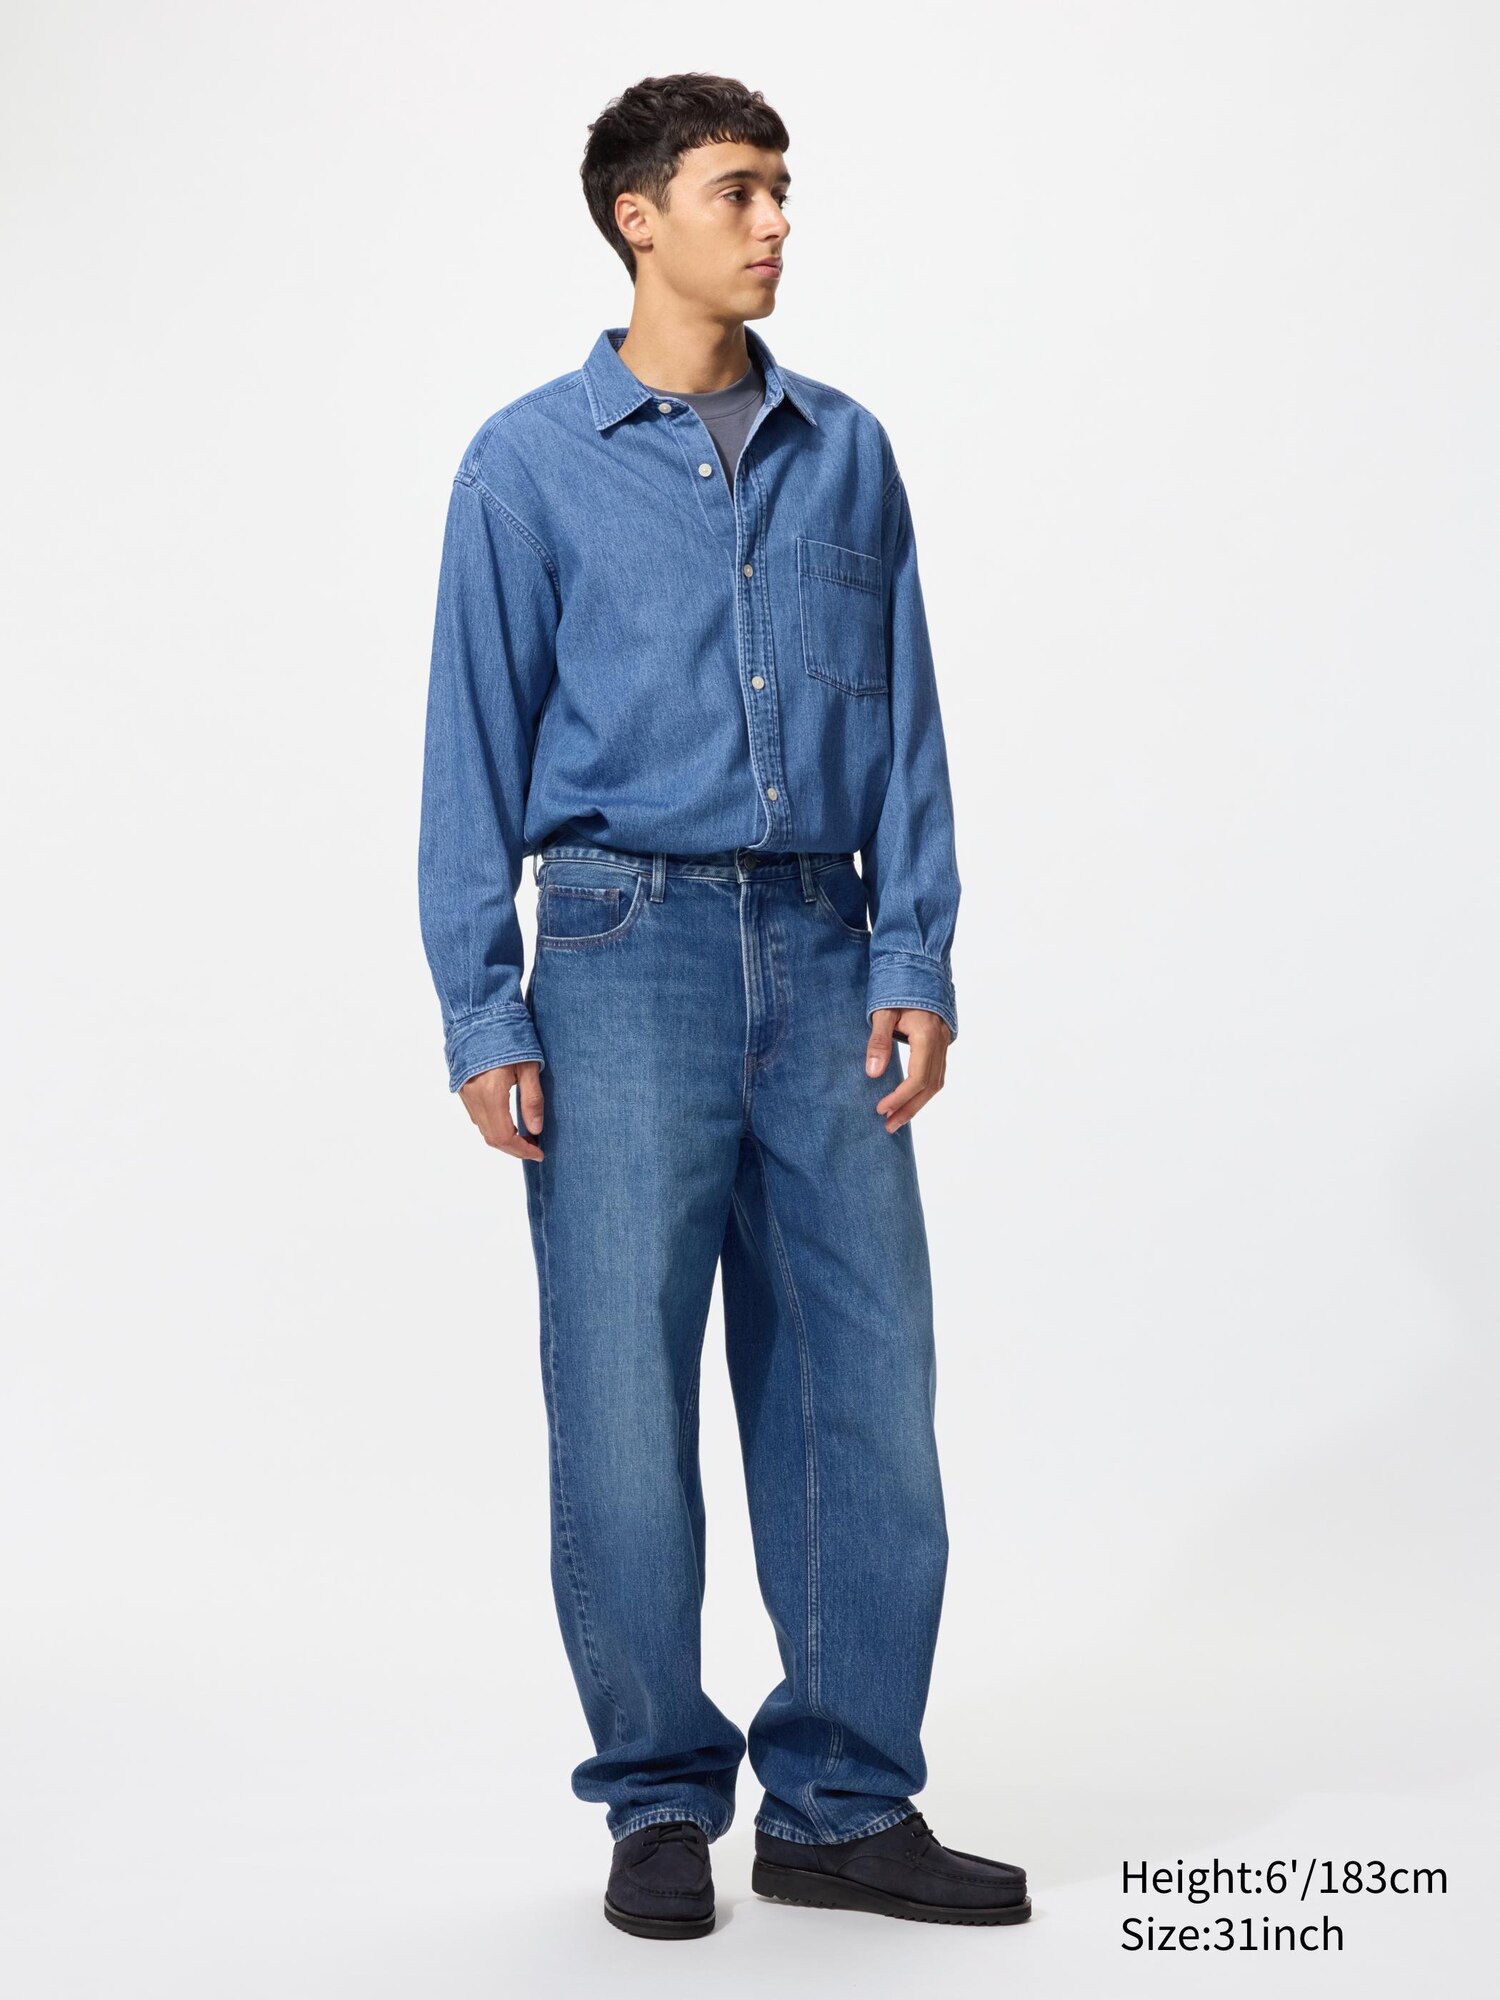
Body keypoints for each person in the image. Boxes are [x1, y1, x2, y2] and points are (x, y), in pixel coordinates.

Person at [417, 71, 1030, 1938]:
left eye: (782, 190)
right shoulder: (526, 465)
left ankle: (841, 1801)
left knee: (865, 1385)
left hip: (828, 950)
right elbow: (468, 752)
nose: (774, 222)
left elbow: (908, 723)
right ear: (639, 217)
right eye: (737, 190)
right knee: (621, 1397)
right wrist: (484, 1008)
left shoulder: (848, 451)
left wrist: (915, 950)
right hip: (620, 955)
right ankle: (659, 1800)